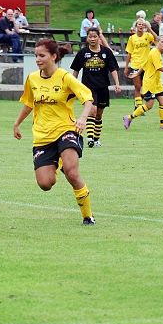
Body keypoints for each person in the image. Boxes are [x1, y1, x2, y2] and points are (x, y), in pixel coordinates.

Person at [13, 39, 96, 226]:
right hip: (42, 136)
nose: (37, 59)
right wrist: (17, 123)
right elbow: (28, 103)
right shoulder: (32, 79)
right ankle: (57, 160)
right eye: (36, 56)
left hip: (66, 130)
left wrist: (82, 118)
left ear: (54, 56)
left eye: (41, 56)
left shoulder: (65, 77)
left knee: (72, 173)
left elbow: (88, 99)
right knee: (45, 184)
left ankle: (87, 216)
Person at [71, 27, 121, 148]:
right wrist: (72, 85)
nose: (92, 39)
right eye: (90, 36)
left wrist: (117, 83)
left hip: (103, 86)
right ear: (87, 38)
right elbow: (76, 70)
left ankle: (96, 138)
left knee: (99, 114)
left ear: (99, 38)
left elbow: (113, 68)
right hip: (87, 87)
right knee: (92, 111)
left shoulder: (106, 52)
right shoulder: (82, 53)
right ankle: (90, 138)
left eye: (95, 36)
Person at [123, 35, 163, 130]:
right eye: (162, 42)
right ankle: (128, 118)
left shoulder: (155, 52)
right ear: (157, 42)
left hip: (157, 83)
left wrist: (137, 73)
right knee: (149, 105)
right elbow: (159, 67)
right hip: (150, 83)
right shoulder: (154, 52)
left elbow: (144, 64)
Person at [124, 19, 156, 111]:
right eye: (139, 24)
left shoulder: (148, 36)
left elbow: (157, 39)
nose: (141, 26)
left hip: (146, 65)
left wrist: (149, 28)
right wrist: (126, 67)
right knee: (138, 86)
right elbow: (129, 53)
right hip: (136, 64)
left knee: (146, 87)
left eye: (143, 24)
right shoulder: (132, 38)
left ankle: (137, 102)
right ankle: (138, 108)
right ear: (136, 26)